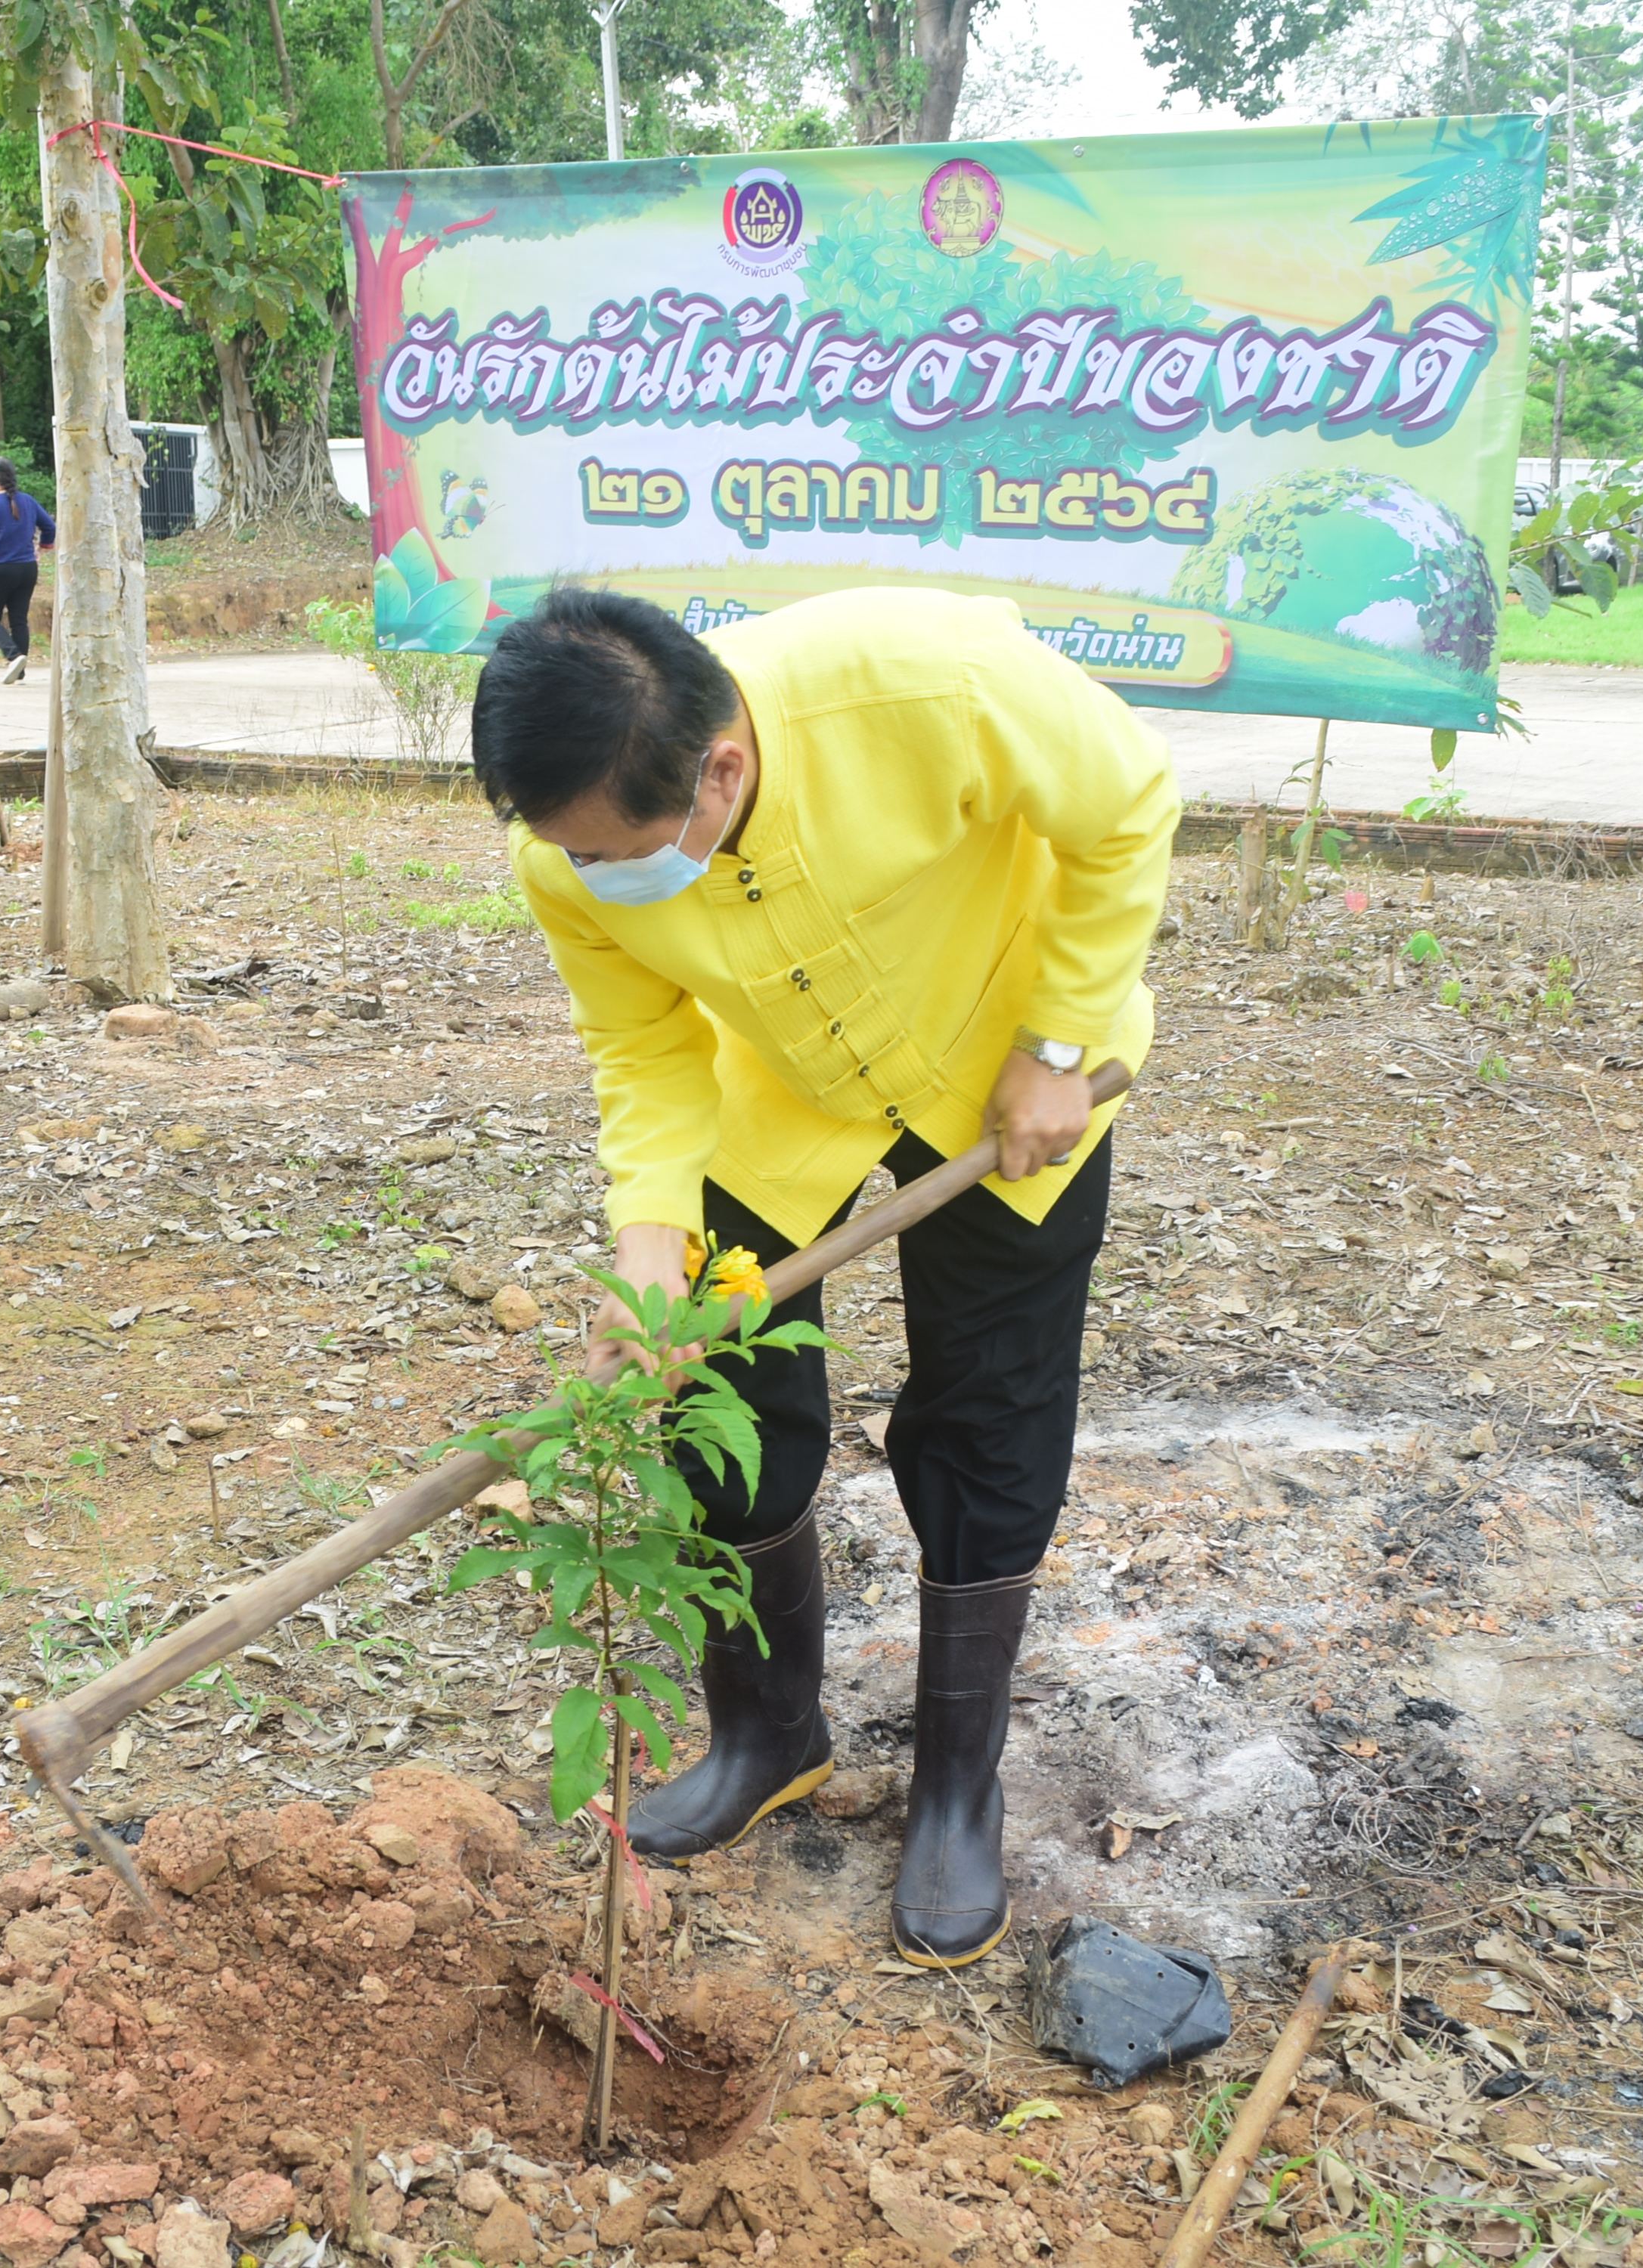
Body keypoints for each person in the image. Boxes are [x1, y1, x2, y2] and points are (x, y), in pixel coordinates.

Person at [470, 584, 1171, 1971]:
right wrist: (647, 1263)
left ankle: (955, 1789)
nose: (594, 877)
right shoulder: (569, 857)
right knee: (724, 1393)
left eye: (620, 854)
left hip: (1004, 1079)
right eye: (570, 856)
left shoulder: (930, 679)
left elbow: (1125, 805)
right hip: (779, 1106)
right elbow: (648, 1055)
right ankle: (766, 1733)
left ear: (718, 770)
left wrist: (1058, 1037)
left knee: (990, 1401)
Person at [0, 460, 57, 687]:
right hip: (27, 568)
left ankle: (13, 655)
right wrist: (43, 547)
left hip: (0, 568)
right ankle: (20, 673)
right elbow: (50, 527)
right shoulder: (27, 501)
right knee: (19, 620)